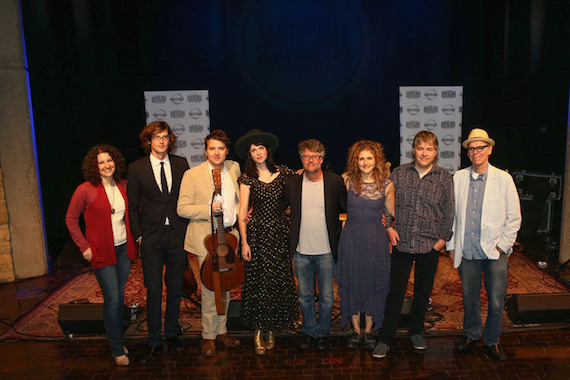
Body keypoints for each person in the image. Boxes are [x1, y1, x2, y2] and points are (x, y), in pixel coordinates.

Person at [372, 131, 454, 359]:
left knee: (422, 291)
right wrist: (388, 228)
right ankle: (385, 337)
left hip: (430, 245)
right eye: (420, 148)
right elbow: (384, 201)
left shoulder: (444, 177)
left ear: (435, 152)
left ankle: (416, 331)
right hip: (403, 242)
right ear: (414, 150)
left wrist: (442, 240)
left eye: (429, 149)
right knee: (395, 292)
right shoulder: (399, 173)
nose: (424, 153)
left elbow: (449, 210)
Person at [447, 128, 521, 361]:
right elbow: (452, 215)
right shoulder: (458, 177)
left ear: (489, 149)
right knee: (470, 298)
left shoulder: (503, 178)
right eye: (472, 148)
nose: (476, 152)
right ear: (468, 152)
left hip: (494, 252)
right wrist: (451, 246)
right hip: (466, 251)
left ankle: (492, 340)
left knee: (497, 300)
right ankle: (471, 333)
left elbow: (514, 216)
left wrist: (502, 246)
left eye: (481, 147)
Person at [66, 144, 137, 366]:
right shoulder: (85, 189)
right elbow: (70, 219)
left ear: (116, 162)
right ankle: (117, 349)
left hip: (124, 249)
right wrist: (84, 246)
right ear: (94, 167)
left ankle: (116, 339)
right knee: (113, 299)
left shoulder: (124, 185)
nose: (106, 165)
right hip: (101, 252)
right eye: (101, 162)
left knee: (118, 299)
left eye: (109, 160)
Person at [127, 121, 190, 363]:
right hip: (151, 238)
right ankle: (154, 339)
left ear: (170, 140)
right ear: (148, 141)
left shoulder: (181, 164)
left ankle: (172, 332)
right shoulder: (136, 168)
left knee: (175, 288)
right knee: (153, 289)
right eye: (156, 137)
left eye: (165, 137)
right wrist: (139, 235)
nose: (161, 141)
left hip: (176, 235)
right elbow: (132, 208)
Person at [177, 129, 242, 357]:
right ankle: (208, 335)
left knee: (226, 285)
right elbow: (182, 208)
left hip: (229, 237)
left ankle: (222, 330)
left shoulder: (234, 168)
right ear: (205, 151)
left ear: (227, 151)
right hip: (206, 239)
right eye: (212, 148)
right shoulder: (192, 175)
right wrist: (207, 208)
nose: (217, 152)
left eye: (221, 148)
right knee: (209, 288)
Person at [234, 129, 299, 355]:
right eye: (254, 150)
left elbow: (302, 185)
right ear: (249, 154)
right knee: (258, 282)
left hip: (280, 234)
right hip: (257, 235)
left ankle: (271, 328)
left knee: (277, 281)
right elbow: (242, 212)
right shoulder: (247, 178)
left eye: (261, 148)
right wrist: (244, 243)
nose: (258, 152)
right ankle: (259, 331)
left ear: (268, 151)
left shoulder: (285, 173)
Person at [286, 139, 347, 350]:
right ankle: (309, 331)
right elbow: (278, 207)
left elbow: (347, 206)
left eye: (314, 156)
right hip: (301, 251)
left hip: (327, 251)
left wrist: (378, 215)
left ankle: (323, 332)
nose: (310, 160)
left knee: (328, 297)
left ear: (322, 159)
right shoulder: (292, 182)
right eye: (305, 156)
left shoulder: (335, 182)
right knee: (304, 297)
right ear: (301, 159)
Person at [335, 140, 394, 349]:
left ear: (376, 159)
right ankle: (356, 330)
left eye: (369, 158)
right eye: (361, 158)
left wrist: (388, 221)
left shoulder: (387, 184)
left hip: (376, 241)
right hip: (351, 239)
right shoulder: (346, 180)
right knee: (352, 282)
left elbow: (391, 213)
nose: (366, 162)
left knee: (373, 283)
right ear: (355, 161)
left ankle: (368, 331)